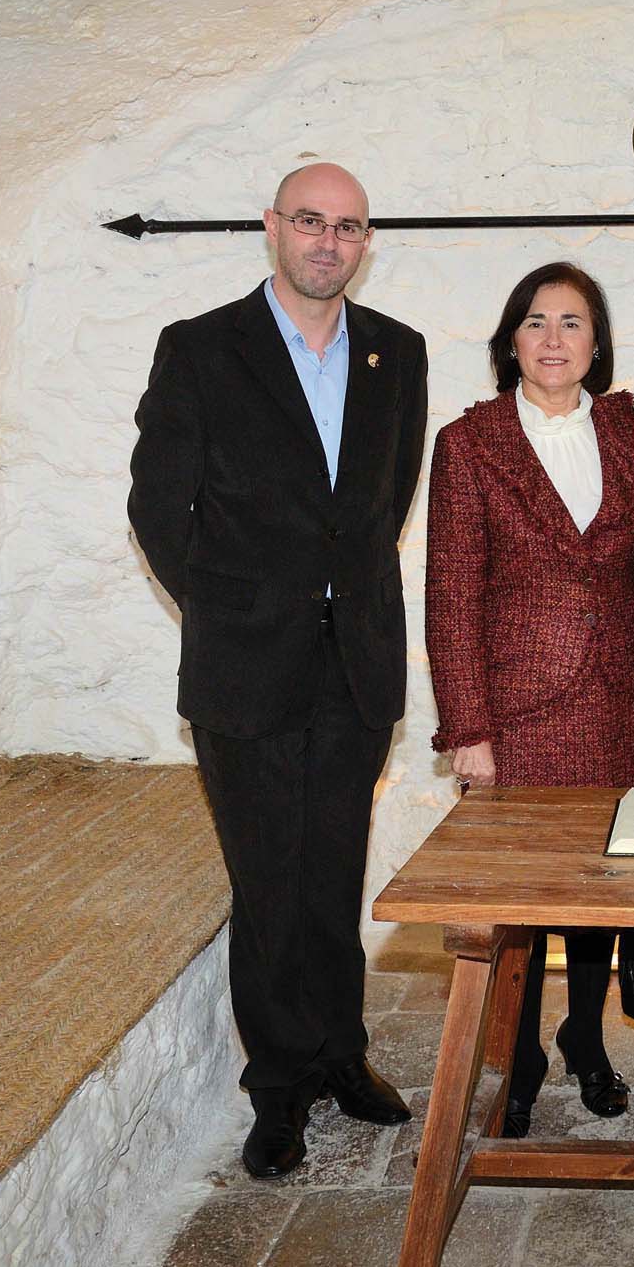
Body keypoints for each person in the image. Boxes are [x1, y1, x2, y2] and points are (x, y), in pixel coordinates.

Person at [128, 162, 429, 1179]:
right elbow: (156, 507)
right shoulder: (203, 349)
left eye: (348, 226)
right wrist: (231, 610)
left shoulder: (397, 351)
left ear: (364, 240)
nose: (328, 242)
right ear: (272, 228)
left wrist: (349, 610)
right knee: (268, 880)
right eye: (310, 221)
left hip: (357, 666)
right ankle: (280, 1088)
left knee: (331, 867)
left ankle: (341, 1054)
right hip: (244, 668)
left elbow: (380, 508)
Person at [425, 262, 634, 1137]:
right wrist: (467, 728)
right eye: (535, 321)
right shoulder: (469, 444)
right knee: (529, 896)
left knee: (598, 887)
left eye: (571, 322)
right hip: (520, 708)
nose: (552, 338)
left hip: (616, 696)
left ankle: (585, 1035)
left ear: (596, 344)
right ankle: (524, 1050)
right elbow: (451, 592)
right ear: (510, 341)